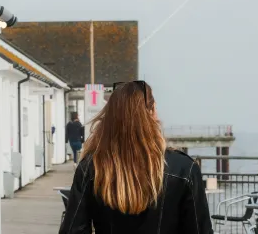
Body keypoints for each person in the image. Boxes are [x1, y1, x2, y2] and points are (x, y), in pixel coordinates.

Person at [58, 81, 213, 234]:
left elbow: (73, 229)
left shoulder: (92, 167)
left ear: (110, 117)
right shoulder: (183, 168)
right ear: (152, 113)